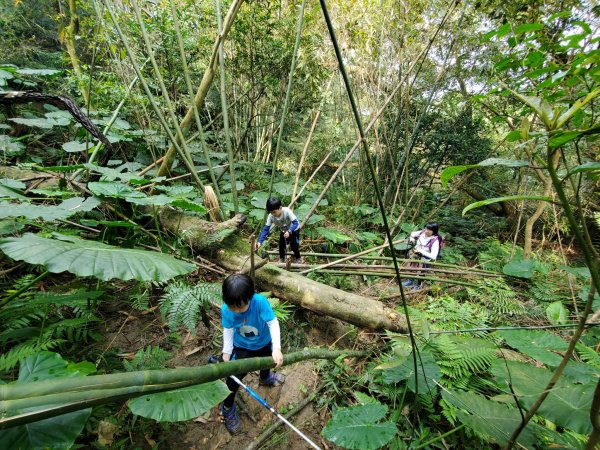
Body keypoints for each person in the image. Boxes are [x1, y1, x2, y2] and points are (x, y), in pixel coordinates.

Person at [219, 274, 285, 434]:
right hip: (242, 347)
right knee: (233, 379)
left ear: (250, 297)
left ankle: (265, 378)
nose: (236, 310)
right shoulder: (226, 310)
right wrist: (226, 352)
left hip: (264, 342)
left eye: (240, 307)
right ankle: (227, 407)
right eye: (232, 306)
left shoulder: (260, 302)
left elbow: (273, 323)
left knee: (267, 362)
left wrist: (276, 348)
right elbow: (227, 330)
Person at [255, 197, 302, 263]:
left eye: (274, 212)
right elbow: (266, 229)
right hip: (283, 229)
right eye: (271, 212)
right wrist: (260, 242)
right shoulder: (270, 216)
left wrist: (289, 231)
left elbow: (295, 223)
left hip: (293, 228)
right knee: (281, 244)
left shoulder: (287, 211)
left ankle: (298, 258)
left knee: (293, 245)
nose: (273, 214)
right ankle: (282, 258)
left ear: (280, 208)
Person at [402, 222, 441, 291]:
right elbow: (413, 233)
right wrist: (412, 239)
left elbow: (433, 256)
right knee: (412, 268)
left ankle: (418, 285)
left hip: (426, 259)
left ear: (434, 231)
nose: (426, 231)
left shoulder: (435, 241)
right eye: (426, 228)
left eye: (429, 230)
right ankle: (410, 281)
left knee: (421, 272)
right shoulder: (422, 232)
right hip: (416, 255)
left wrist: (421, 251)